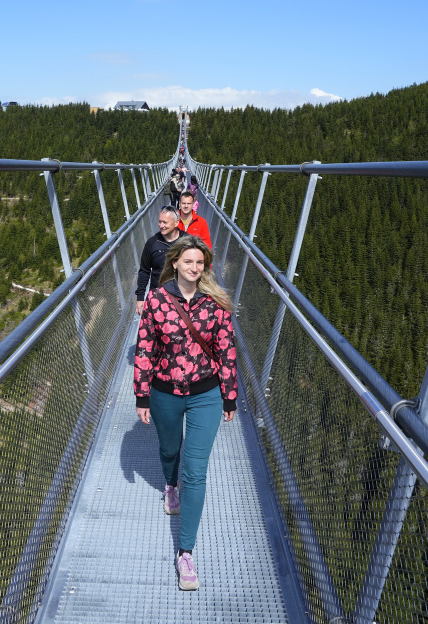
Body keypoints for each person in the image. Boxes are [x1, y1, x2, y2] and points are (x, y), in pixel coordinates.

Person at [133, 236, 238, 591]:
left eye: (200, 263)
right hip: (164, 392)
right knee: (169, 450)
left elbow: (226, 350)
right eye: (188, 261)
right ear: (174, 262)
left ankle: (185, 552)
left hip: (206, 393)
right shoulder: (157, 301)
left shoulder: (215, 303)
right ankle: (169, 484)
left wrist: (229, 397)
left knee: (196, 470)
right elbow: (145, 348)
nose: (195, 268)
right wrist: (142, 396)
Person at [135, 206, 182, 315]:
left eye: (165, 222)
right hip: (158, 297)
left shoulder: (187, 242)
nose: (161, 226)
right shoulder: (152, 243)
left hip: (181, 297)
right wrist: (140, 297)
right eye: (159, 222)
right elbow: (144, 270)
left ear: (176, 222)